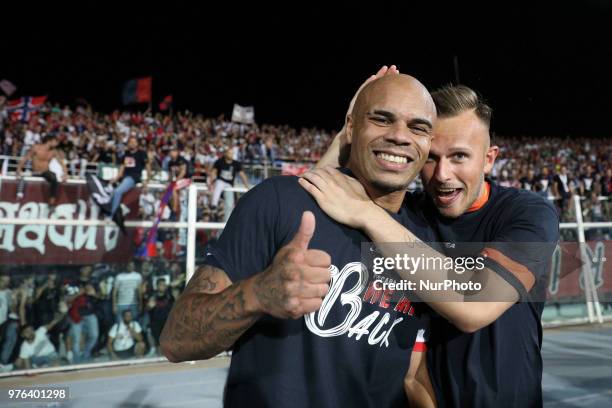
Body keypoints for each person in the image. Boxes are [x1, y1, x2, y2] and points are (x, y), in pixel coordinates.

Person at [161, 69, 439, 407]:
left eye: (418, 127)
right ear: (351, 127)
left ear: (429, 142)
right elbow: (176, 340)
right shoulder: (278, 201)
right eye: (382, 119)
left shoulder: (431, 240)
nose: (400, 136)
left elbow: (420, 370)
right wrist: (257, 293)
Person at [301, 84, 559, 407]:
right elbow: (309, 212)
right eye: (431, 158)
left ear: (489, 159)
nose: (442, 175)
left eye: (459, 157)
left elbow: (474, 305)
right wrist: (350, 130)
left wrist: (367, 213)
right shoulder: (406, 214)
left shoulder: (528, 214)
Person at [109, 136, 151, 230]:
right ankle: (116, 210)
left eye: (134, 142)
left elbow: (148, 168)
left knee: (117, 192)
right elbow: (122, 168)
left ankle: (111, 215)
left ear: (137, 144)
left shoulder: (141, 153)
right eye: (130, 142)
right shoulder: (126, 154)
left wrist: (147, 181)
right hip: (124, 178)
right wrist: (116, 178)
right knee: (110, 190)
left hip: (133, 177)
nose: (132, 143)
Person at [16, 135, 68, 206]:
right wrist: (18, 169)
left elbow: (62, 164)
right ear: (49, 141)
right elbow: (25, 158)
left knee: (53, 176)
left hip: (46, 172)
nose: (57, 144)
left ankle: (52, 200)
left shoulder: (53, 152)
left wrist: (65, 174)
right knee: (23, 177)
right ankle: (19, 195)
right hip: (35, 172)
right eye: (55, 142)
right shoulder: (36, 148)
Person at [208, 147, 250, 221]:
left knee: (229, 204)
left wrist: (246, 186)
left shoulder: (236, 163)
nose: (232, 155)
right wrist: (211, 182)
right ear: (225, 154)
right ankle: (213, 206)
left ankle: (227, 220)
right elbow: (213, 172)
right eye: (230, 153)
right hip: (220, 181)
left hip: (229, 184)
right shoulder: (219, 162)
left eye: (232, 153)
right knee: (218, 185)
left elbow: (242, 175)